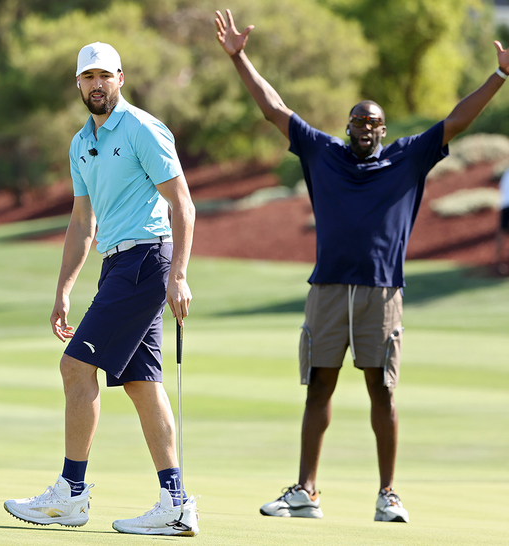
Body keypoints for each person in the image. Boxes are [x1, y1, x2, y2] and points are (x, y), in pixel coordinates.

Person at [215, 8, 509, 523]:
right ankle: (305, 491)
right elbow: (273, 108)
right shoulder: (322, 151)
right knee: (319, 388)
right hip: (328, 288)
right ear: (347, 126)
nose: (366, 129)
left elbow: (458, 120)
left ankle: (388, 494)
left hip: (380, 291)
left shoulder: (409, 157)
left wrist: (501, 76)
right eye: (358, 121)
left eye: (374, 123)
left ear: (384, 129)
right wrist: (241, 58)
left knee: (382, 391)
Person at [3, 42, 198, 536]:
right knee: (141, 384)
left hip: (146, 259)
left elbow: (183, 204)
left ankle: (71, 492)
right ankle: (175, 502)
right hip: (118, 265)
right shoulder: (80, 143)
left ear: (120, 78)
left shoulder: (141, 128)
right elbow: (82, 222)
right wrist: (63, 288)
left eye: (103, 76)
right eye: (87, 77)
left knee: (75, 366)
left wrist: (178, 273)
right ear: (78, 84)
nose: (96, 84)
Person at [494, 167, 509, 274]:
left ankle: (499, 263)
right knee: (502, 234)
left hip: (504, 205)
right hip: (506, 205)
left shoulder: (506, 173)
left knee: (502, 232)